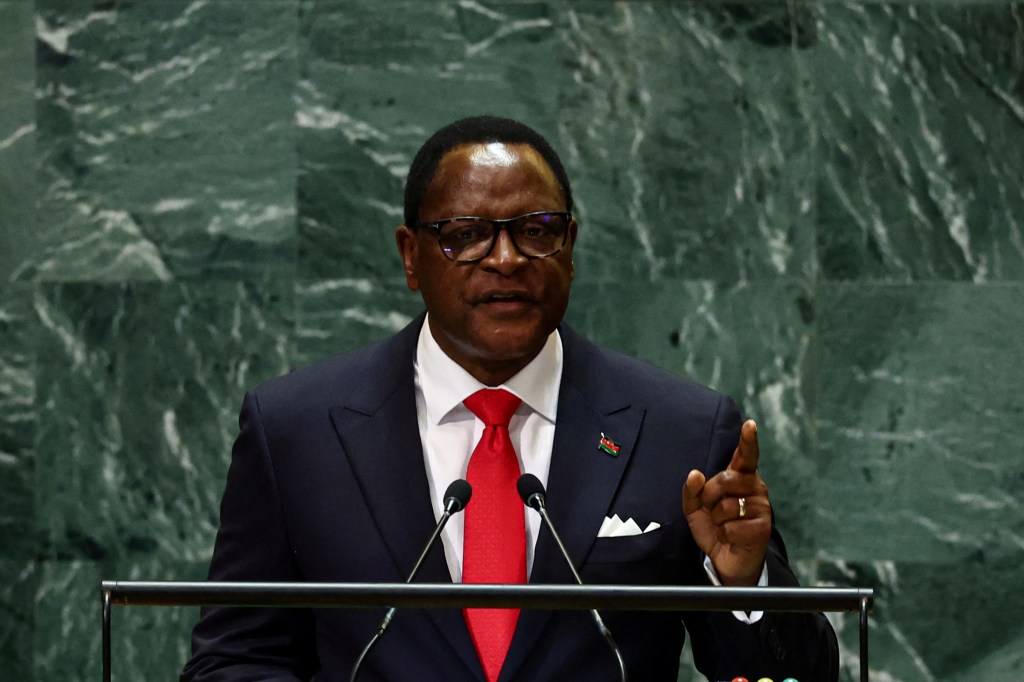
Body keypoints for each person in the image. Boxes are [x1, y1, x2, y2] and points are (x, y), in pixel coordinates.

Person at [182, 115, 838, 681]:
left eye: (537, 229)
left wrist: (744, 586)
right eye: (465, 234)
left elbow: (789, 675)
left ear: (571, 247)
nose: (506, 259)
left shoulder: (681, 432)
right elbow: (234, 657)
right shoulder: (297, 429)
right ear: (411, 256)